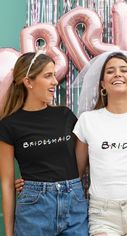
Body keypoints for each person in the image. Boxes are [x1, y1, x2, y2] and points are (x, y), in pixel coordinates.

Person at [73, 50, 127, 235]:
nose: (118, 74)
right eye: (110, 71)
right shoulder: (87, 120)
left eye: (124, 70)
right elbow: (75, 173)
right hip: (102, 213)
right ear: (102, 85)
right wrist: (37, 180)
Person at [0, 52, 88, 236]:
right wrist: (9, 232)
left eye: (54, 75)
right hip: (34, 210)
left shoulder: (65, 116)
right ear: (28, 82)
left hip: (74, 205)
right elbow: (7, 184)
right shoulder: (9, 125)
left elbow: (84, 156)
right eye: (48, 76)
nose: (55, 82)